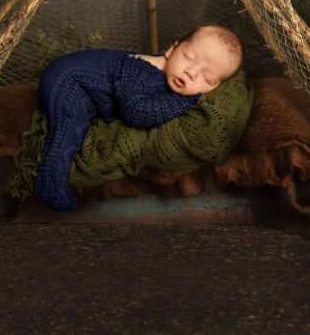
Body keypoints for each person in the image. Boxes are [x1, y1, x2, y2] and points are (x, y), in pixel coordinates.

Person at [34, 23, 243, 211]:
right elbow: (138, 114)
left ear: (215, 87)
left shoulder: (170, 75)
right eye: (188, 57)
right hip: (66, 80)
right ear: (171, 50)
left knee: (92, 115)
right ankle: (50, 186)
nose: (191, 72)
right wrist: (186, 99)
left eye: (206, 77)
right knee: (70, 128)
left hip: (89, 92)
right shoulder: (147, 72)